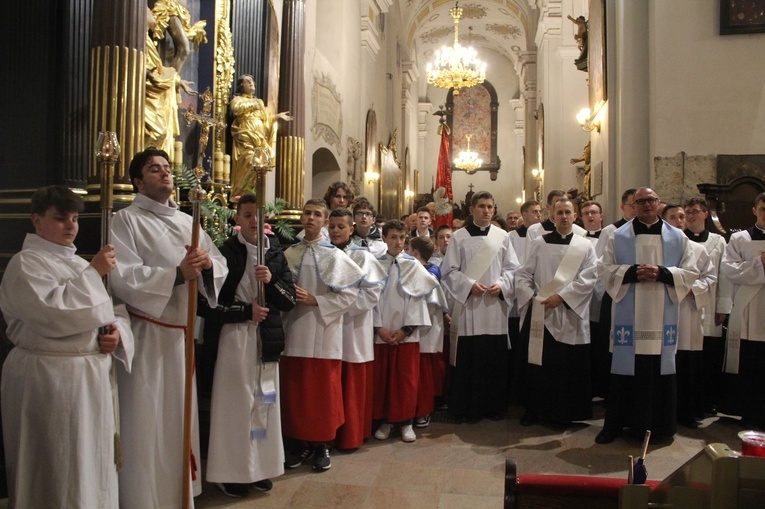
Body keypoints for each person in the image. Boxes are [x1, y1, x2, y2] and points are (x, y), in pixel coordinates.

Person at [0, 186, 134, 508]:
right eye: (61, 219)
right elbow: (52, 314)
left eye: (74, 218)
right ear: (37, 220)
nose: (72, 226)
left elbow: (115, 312)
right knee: (57, 467)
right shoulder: (26, 264)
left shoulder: (78, 265)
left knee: (91, 465)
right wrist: (95, 273)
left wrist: (117, 335)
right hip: (49, 379)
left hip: (90, 379)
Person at [110, 147, 228, 508]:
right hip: (148, 335)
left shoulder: (185, 221)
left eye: (166, 168)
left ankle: (179, 495)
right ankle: (143, 498)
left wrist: (208, 264)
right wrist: (177, 274)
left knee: (179, 422)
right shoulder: (125, 220)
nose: (164, 173)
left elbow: (218, 264)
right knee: (147, 423)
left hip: (181, 337)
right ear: (137, 181)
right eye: (153, 169)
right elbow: (122, 276)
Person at [197, 194, 296, 498]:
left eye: (259, 215)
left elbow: (290, 300)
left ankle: (261, 467)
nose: (254, 221)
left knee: (264, 404)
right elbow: (207, 303)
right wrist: (244, 312)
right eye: (248, 215)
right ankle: (232, 472)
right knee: (235, 406)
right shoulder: (225, 253)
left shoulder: (275, 254)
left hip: (266, 339)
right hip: (233, 338)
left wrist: (271, 282)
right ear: (237, 219)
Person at [595, 187, 698, 445]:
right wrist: (632, 273)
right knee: (625, 370)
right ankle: (616, 425)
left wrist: (662, 273)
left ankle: (662, 427)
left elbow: (691, 270)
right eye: (640, 201)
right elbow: (604, 269)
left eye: (651, 200)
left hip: (662, 314)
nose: (646, 205)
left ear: (658, 203)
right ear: (633, 205)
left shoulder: (677, 237)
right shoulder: (617, 235)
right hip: (628, 317)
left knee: (659, 369)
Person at [280, 199, 364, 471]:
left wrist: (316, 300)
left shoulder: (336, 256)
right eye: (307, 213)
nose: (311, 218)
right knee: (296, 392)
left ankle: (321, 446)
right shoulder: (288, 253)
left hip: (324, 332)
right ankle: (297, 443)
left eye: (317, 215)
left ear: (325, 222)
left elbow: (350, 295)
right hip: (293, 331)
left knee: (323, 393)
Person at [515, 198, 598, 426]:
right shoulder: (540, 243)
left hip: (570, 313)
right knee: (539, 365)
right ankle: (534, 410)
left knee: (567, 367)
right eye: (559, 212)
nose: (563, 216)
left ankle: (566, 412)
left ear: (575, 216)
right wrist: (533, 297)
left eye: (567, 212)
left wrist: (562, 297)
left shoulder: (585, 246)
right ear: (552, 215)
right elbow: (523, 274)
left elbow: (590, 278)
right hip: (542, 312)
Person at [441, 191, 520, 421]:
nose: (486, 211)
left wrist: (503, 285)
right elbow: (449, 272)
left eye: (490, 207)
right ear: (472, 210)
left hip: (495, 308)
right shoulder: (459, 237)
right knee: (470, 359)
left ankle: (493, 407)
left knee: (493, 359)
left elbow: (512, 269)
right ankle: (468, 408)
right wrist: (468, 285)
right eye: (482, 206)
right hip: (470, 308)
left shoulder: (502, 236)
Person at [373, 220, 440, 442]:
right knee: (384, 379)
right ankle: (385, 421)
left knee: (405, 380)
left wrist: (406, 329)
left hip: (406, 335)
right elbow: (370, 300)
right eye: (393, 237)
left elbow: (419, 299)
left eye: (402, 238)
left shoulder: (413, 266)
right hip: (382, 334)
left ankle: (405, 422)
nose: (398, 242)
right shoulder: (375, 264)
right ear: (384, 238)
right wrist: (379, 327)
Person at [327, 208, 386, 450]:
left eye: (341, 227)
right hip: (327, 327)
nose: (336, 231)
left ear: (351, 229)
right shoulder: (323, 254)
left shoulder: (363, 257)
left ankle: (350, 436)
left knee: (350, 384)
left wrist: (340, 307)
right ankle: (327, 435)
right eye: (332, 226)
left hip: (353, 326)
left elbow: (372, 293)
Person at [662, 204, 715, 429]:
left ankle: (687, 412)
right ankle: (665, 412)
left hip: (689, 310)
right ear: (664, 221)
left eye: (682, 216)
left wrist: (692, 289)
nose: (679, 220)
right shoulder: (660, 247)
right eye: (673, 217)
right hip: (666, 309)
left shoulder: (698, 249)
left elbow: (710, 276)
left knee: (688, 363)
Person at [719, 192, 765, 429]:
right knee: (752, 367)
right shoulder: (740, 239)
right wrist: (759, 264)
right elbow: (730, 270)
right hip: (749, 312)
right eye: (763, 208)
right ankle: (751, 416)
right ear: (754, 210)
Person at [683, 197, 731, 415]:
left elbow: (723, 275)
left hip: (710, 305)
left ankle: (707, 402)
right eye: (687, 212)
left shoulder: (718, 241)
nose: (690, 216)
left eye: (694, 211)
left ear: (705, 214)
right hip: (684, 304)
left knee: (708, 357)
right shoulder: (678, 240)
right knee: (687, 356)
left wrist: (723, 307)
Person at [593, 188, 636, 399]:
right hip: (616, 295)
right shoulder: (611, 231)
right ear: (623, 207)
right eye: (632, 205)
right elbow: (600, 266)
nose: (637, 208)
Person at [229, 74, 291, 198]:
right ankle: (240, 194)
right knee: (250, 162)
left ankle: (252, 195)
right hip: (246, 135)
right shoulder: (238, 99)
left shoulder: (259, 101)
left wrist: (277, 117)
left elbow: (265, 119)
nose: (251, 83)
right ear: (242, 85)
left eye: (252, 81)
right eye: (248, 81)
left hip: (259, 138)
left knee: (260, 165)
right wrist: (252, 105)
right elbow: (235, 109)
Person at [409, 236, 448, 428]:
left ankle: (423, 411)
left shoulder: (430, 274)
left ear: (415, 253)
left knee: (424, 375)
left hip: (426, 330)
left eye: (409, 251)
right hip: (412, 331)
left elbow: (431, 305)